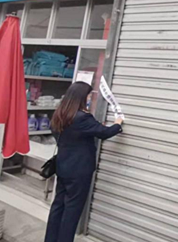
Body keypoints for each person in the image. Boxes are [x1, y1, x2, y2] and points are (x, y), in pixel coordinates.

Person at [44, 81, 123, 242]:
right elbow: (104, 133)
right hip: (79, 171)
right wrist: (117, 124)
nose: (89, 99)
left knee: (58, 206)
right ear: (81, 97)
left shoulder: (59, 114)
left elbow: (67, 134)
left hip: (62, 167)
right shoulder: (83, 118)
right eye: (88, 96)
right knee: (72, 210)